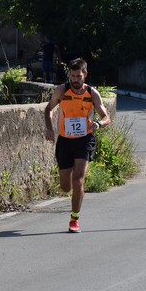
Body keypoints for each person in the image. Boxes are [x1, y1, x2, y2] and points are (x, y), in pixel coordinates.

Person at [44, 58, 111, 233]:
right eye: (72, 76)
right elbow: (48, 109)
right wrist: (49, 128)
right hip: (65, 141)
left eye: (78, 76)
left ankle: (74, 219)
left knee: (78, 179)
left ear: (85, 75)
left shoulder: (92, 93)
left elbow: (106, 117)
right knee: (66, 186)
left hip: (84, 140)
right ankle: (74, 190)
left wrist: (98, 124)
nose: (75, 79)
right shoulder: (61, 90)